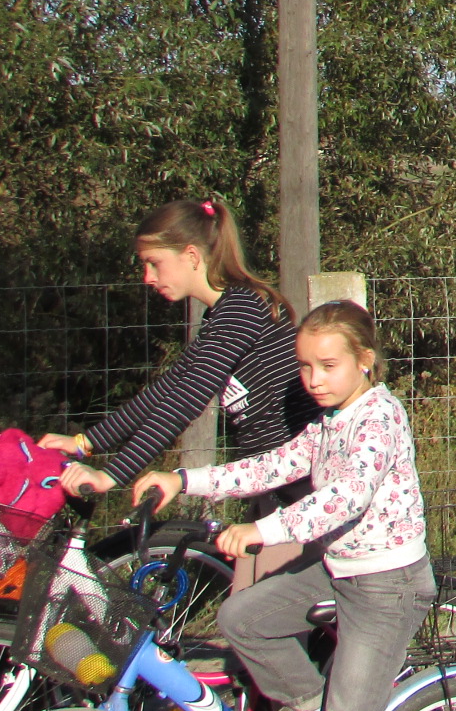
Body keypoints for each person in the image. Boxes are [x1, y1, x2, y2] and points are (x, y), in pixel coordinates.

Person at [132, 300, 434, 711]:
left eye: (328, 366)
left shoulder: (379, 418)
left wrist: (263, 531)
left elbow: (345, 497)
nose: (313, 380)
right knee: (242, 618)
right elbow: (271, 465)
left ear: (365, 360)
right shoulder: (330, 421)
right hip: (338, 569)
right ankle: (313, 706)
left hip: (387, 585)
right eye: (304, 366)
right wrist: (184, 479)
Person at [42, 200, 317, 587]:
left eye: (154, 263)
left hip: (302, 491)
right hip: (274, 490)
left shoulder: (241, 309)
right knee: (245, 613)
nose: (147, 277)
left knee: (260, 616)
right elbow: (167, 389)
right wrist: (84, 443)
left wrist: (110, 475)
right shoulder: (221, 315)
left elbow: (187, 398)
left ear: (191, 256)